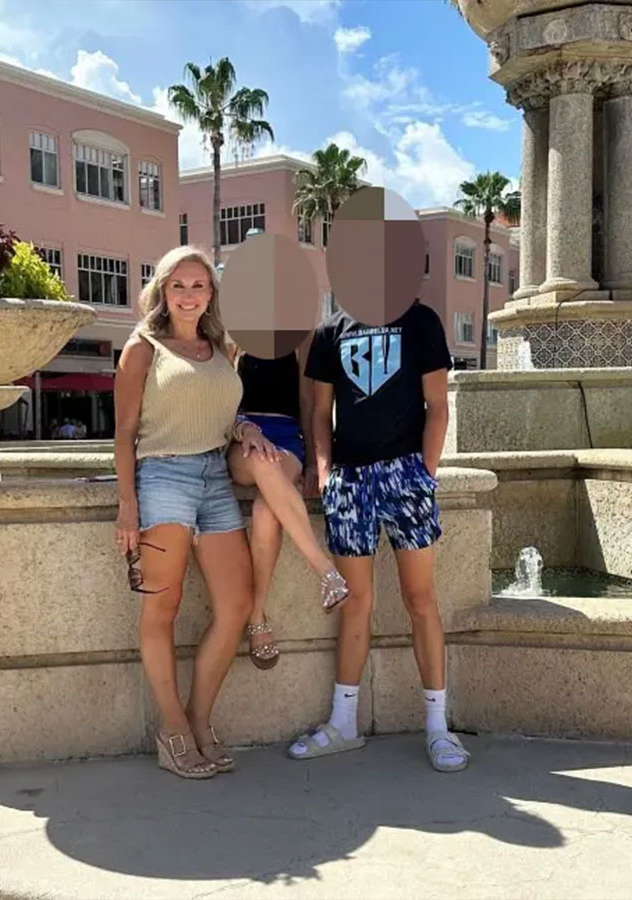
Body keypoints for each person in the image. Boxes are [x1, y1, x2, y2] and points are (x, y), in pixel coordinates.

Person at [114, 245, 280, 780]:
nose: (189, 295)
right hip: (162, 476)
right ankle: (173, 729)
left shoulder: (221, 347)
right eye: (179, 285)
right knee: (161, 609)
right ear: (163, 290)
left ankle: (199, 720)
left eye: (199, 286)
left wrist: (246, 428)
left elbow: (222, 413)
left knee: (235, 606)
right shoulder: (142, 349)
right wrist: (127, 506)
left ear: (211, 294)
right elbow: (123, 432)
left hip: (214, 478)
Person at [288, 301, 470, 773]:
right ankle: (343, 723)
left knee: (421, 598)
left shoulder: (422, 319)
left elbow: (438, 406)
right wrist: (325, 472)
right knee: (355, 603)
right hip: (350, 479)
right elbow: (321, 412)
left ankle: (437, 727)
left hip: (405, 473)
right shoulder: (331, 329)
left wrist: (424, 473)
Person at [229, 348, 349, 669]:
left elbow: (309, 403)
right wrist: (245, 429)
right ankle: (325, 569)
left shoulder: (301, 334)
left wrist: (313, 462)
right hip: (241, 435)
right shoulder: (231, 329)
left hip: (286, 438)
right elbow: (220, 396)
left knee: (267, 511)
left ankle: (256, 616)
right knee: (259, 457)